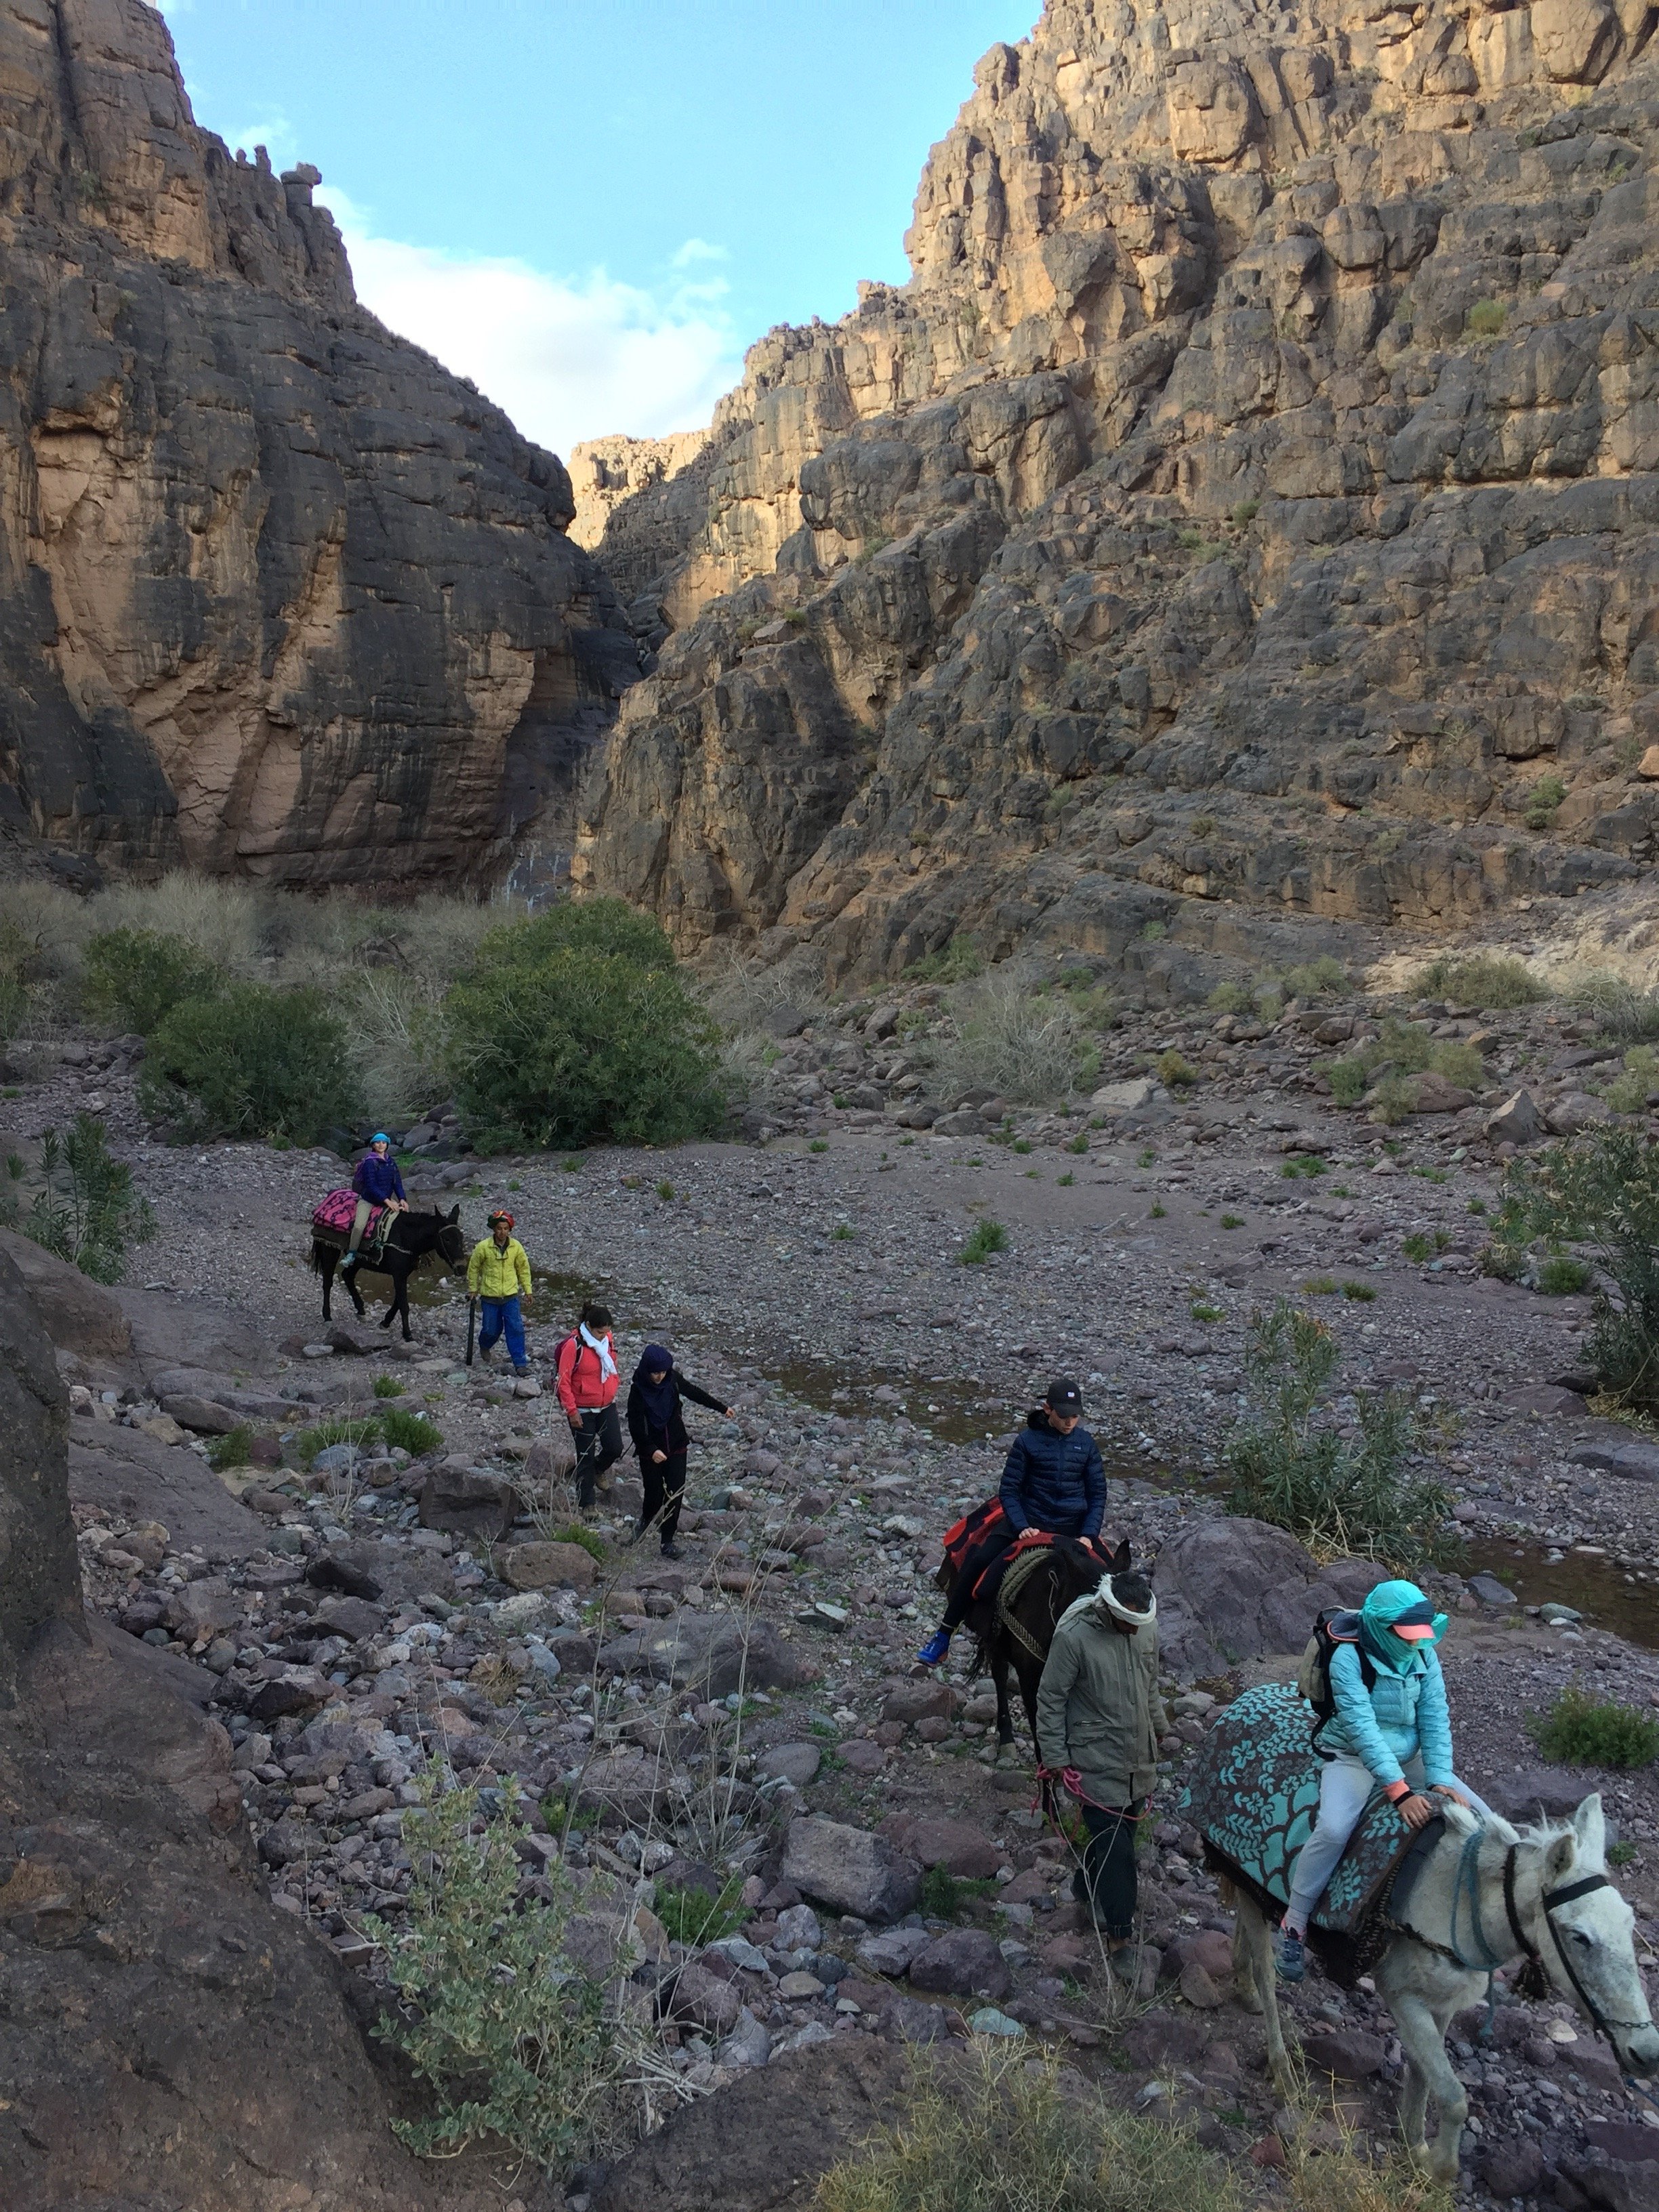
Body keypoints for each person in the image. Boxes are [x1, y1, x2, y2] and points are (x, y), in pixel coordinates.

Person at [1277, 1580, 1493, 1982]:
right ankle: (1295, 1920)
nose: (1415, 1645)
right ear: (1380, 1627)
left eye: (1419, 1637)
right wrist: (1399, 1792)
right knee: (1334, 1828)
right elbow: (1361, 1728)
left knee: (1484, 1817)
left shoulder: (1424, 1654)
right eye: (1406, 1636)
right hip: (1353, 1756)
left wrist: (1441, 1777)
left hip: (1408, 1753)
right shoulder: (1347, 1658)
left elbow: (1434, 1717)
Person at [916, 1378, 1105, 1666]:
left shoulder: (1086, 1444)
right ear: (1047, 1409)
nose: (1070, 1423)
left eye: (1075, 1417)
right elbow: (1009, 1490)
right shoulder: (1027, 1442)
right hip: (1029, 1520)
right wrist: (1020, 1526)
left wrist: (1089, 1534)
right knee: (977, 1562)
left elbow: (1097, 1493)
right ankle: (943, 1636)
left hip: (1073, 1526)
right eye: (1064, 1416)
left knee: (1113, 1577)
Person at [625, 1343, 735, 1558]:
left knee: (675, 1493)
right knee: (654, 1494)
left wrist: (722, 1408)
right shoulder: (638, 1390)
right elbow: (635, 1425)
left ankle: (667, 1541)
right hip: (650, 1450)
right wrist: (650, 1448)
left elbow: (694, 1393)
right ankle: (645, 1521)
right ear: (647, 1370)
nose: (659, 1377)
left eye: (663, 1372)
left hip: (676, 1445)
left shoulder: (672, 1379)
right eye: (655, 1373)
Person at [556, 1301, 623, 1508]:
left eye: (607, 1331)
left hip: (606, 1405)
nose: (605, 1336)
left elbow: (611, 1364)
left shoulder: (607, 1340)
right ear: (589, 1327)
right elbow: (563, 1381)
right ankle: (587, 1504)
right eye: (601, 1332)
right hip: (582, 1409)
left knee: (615, 1447)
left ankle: (597, 1470)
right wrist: (572, 1411)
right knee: (585, 1454)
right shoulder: (573, 1346)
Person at [467, 1208, 533, 1377]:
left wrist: (528, 1290)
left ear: (510, 1230)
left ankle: (520, 1363)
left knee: (516, 1328)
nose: (502, 1232)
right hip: (490, 1297)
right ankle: (484, 1345)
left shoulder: (516, 1247)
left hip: (510, 1296)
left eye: (505, 1229)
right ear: (494, 1230)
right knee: (491, 1330)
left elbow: (523, 1269)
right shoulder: (483, 1247)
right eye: (499, 1229)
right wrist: (473, 1289)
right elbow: (473, 1268)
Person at [341, 1133, 407, 1271]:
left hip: (386, 1199)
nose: (381, 1145)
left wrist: (402, 1199)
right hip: (369, 1200)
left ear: (387, 1145)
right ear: (373, 1145)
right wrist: (388, 1201)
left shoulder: (391, 1162)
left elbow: (397, 1182)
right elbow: (371, 1186)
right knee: (359, 1226)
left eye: (384, 1142)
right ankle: (352, 1253)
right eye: (378, 1143)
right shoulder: (369, 1162)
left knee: (406, 1218)